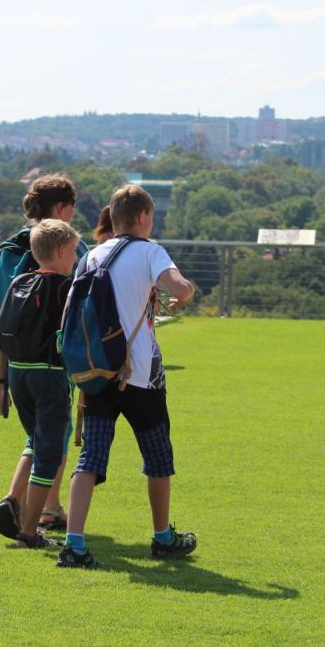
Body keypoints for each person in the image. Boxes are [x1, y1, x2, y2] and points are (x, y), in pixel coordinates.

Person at [58, 184, 197, 569]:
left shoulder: (90, 256)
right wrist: (181, 297)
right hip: (140, 378)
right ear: (141, 217)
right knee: (158, 457)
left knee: (91, 457)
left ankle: (74, 542)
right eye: (151, 217)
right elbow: (181, 288)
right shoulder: (151, 251)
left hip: (97, 373)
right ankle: (163, 537)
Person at [0, 174, 87, 538]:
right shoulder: (68, 251)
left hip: (16, 365)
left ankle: (42, 506)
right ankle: (33, 516)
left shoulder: (11, 250)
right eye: (72, 209)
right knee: (52, 441)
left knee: (40, 437)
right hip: (51, 368)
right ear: (60, 209)